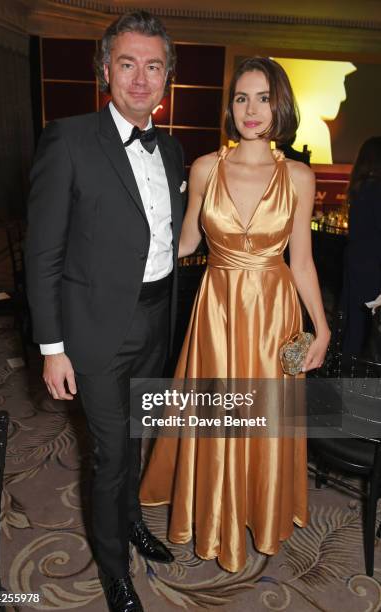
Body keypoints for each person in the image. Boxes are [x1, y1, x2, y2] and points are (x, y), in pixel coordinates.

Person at [140, 57, 330, 572]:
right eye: (242, 97)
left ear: (280, 105)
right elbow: (184, 241)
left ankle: (258, 508)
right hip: (217, 310)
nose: (251, 109)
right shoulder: (205, 167)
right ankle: (215, 513)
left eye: (263, 98)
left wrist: (322, 326)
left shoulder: (298, 176)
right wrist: (125, 263)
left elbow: (303, 261)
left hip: (273, 310)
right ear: (230, 106)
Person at [25, 11, 186, 612]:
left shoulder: (171, 150)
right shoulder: (67, 139)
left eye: (152, 66)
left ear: (167, 77)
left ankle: (132, 524)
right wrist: (51, 347)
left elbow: (168, 239)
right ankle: (114, 569)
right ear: (105, 71)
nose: (140, 79)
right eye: (127, 64)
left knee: (139, 437)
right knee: (112, 453)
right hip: (94, 332)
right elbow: (42, 253)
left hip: (155, 322)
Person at [342, 137, 381, 357]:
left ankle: (348, 372)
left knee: (354, 323)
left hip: (356, 261)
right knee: (368, 327)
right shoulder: (376, 189)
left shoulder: (359, 188)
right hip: (373, 265)